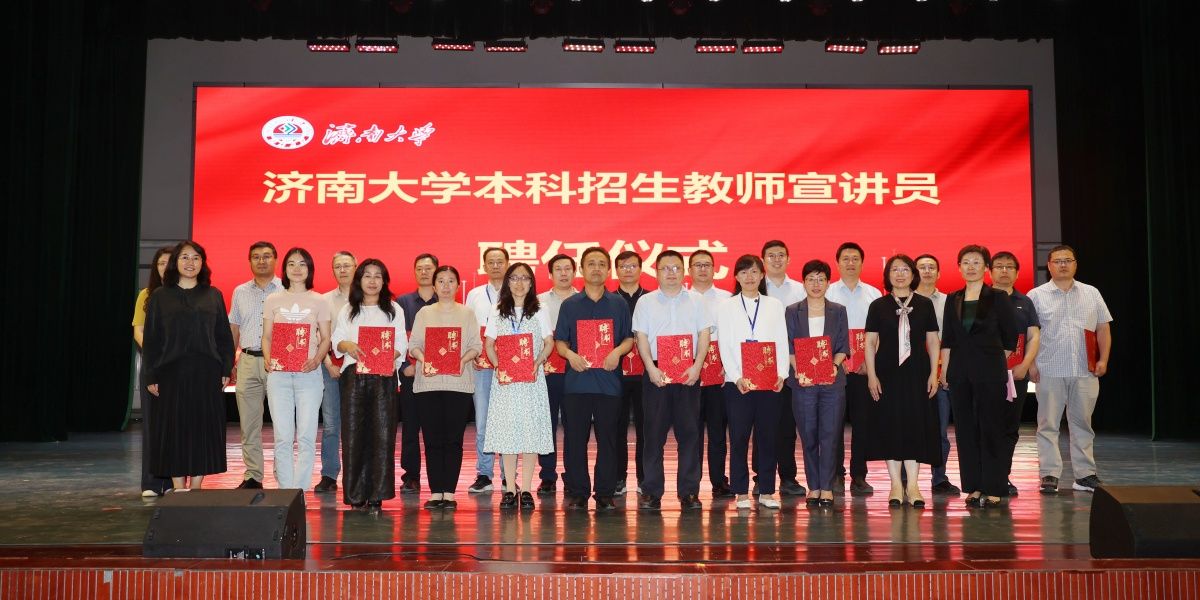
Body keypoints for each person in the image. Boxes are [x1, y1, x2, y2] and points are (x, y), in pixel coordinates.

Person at [142, 241, 235, 491]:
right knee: (173, 431)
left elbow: (224, 337)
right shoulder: (160, 296)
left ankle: (196, 487)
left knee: (203, 431)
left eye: (196, 258)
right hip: (170, 375)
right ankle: (178, 488)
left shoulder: (213, 295)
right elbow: (151, 340)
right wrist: (151, 375)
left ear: (203, 263)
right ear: (176, 262)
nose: (190, 262)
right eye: (185, 257)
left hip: (207, 375)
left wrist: (226, 368)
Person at [1027, 245, 1113, 494]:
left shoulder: (1091, 293)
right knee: (1048, 425)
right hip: (1049, 370)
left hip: (1085, 370)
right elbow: (1028, 334)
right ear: (1049, 266)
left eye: (1068, 260)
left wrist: (1104, 359)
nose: (1063, 265)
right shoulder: (1036, 295)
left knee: (1082, 424)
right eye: (1057, 261)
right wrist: (1031, 364)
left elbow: (1103, 328)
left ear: (1075, 264)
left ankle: (1085, 475)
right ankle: (1049, 474)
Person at [554, 246, 635, 510]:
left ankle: (604, 493)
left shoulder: (618, 304)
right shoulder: (570, 305)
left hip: (609, 383)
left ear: (608, 270)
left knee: (608, 439)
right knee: (575, 440)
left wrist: (617, 352)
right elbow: (560, 341)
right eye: (591, 264)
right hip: (577, 383)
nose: (596, 268)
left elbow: (628, 338)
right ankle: (578, 492)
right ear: (582, 269)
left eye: (601, 264)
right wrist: (570, 355)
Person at [939, 245, 1019, 508]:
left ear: (986, 268)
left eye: (976, 262)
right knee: (966, 430)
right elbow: (948, 339)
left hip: (990, 373)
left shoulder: (998, 297)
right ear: (959, 267)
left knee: (991, 428)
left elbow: (1010, 337)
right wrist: (945, 371)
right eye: (966, 262)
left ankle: (994, 486)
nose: (970, 267)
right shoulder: (953, 298)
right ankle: (973, 486)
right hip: (959, 373)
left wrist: (991, 361)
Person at [632, 250, 711, 511]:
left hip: (689, 372)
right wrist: (650, 369)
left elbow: (704, 335)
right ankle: (651, 491)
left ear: (683, 271)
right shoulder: (645, 302)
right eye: (665, 268)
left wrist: (698, 366)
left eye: (676, 268)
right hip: (657, 373)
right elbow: (641, 338)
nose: (671, 273)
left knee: (690, 435)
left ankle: (689, 492)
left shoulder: (697, 300)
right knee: (653, 435)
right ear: (656, 272)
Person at [864, 254, 941, 508]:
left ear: (913, 274)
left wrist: (934, 373)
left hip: (917, 372)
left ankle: (914, 485)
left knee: (915, 424)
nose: (900, 274)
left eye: (905, 269)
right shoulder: (878, 305)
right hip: (887, 373)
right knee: (891, 425)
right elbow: (870, 342)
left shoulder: (925, 304)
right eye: (895, 270)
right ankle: (896, 484)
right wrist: (872, 375)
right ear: (888, 275)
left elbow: (933, 341)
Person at [331, 259, 407, 511]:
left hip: (384, 377)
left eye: (378, 276)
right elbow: (337, 340)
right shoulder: (348, 309)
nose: (372, 281)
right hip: (354, 376)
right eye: (367, 276)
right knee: (353, 435)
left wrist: (385, 356)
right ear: (359, 280)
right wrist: (348, 346)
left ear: (384, 281)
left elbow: (401, 344)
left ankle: (377, 493)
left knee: (382, 435)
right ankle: (355, 494)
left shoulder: (393, 310)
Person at [715, 255, 789, 510]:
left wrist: (782, 374)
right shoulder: (726, 306)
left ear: (762, 275)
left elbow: (781, 340)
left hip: (769, 381)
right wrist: (736, 376)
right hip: (738, 383)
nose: (749, 277)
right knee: (739, 438)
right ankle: (741, 492)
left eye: (754, 272)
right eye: (744, 272)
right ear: (736, 276)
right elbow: (724, 344)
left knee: (768, 437)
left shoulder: (774, 305)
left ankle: (767, 491)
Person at [409, 265, 482, 510]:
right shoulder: (424, 313)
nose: (446, 286)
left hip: (458, 384)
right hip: (428, 384)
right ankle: (435, 492)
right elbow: (413, 345)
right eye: (441, 281)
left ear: (458, 286)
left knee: (453, 440)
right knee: (432, 439)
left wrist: (461, 360)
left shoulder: (467, 313)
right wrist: (425, 359)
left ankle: (449, 493)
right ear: (434, 285)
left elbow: (476, 346)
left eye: (451, 281)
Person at [483, 263, 555, 510]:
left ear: (531, 282)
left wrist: (538, 362)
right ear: (507, 282)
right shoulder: (497, 310)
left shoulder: (540, 309)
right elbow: (489, 344)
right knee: (508, 434)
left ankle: (525, 489)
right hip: (505, 381)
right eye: (514, 278)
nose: (519, 283)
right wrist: (498, 365)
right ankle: (509, 490)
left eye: (525, 278)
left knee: (530, 432)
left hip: (531, 379)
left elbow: (549, 342)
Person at [261, 247, 332, 490]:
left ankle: (299, 491)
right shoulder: (273, 299)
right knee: (282, 436)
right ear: (285, 269)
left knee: (306, 436)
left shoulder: (319, 300)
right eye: (291, 264)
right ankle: (285, 491)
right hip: (279, 376)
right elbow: (267, 336)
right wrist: (268, 358)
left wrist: (317, 359)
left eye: (302, 264)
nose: (297, 269)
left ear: (310, 269)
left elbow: (326, 338)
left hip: (309, 376)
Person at [784, 259, 849, 508]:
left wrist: (833, 366)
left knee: (830, 435)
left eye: (821, 279)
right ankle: (814, 486)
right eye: (811, 279)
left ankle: (827, 487)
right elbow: (789, 345)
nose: (816, 284)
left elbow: (842, 345)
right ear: (803, 283)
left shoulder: (838, 310)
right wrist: (799, 370)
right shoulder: (793, 311)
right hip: (803, 383)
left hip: (832, 383)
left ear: (828, 283)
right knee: (808, 434)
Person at [826, 242, 883, 496]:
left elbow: (881, 333)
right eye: (846, 259)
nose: (850, 263)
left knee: (863, 424)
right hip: (833, 369)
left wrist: (869, 363)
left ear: (862, 263)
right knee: (833, 424)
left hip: (863, 370)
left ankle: (859, 476)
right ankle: (836, 474)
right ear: (838, 263)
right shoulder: (827, 292)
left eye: (855, 259)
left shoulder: (873, 294)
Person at [227, 241, 282, 489]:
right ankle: (253, 475)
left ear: (275, 260)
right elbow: (234, 328)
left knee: (282, 423)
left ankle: (283, 475)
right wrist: (230, 361)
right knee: (249, 424)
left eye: (267, 256)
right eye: (256, 257)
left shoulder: (286, 289)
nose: (262, 261)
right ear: (249, 261)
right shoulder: (240, 291)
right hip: (248, 360)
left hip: (279, 363)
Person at [989, 251, 1041, 496]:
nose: (1004, 271)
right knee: (985, 427)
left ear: (1017, 273)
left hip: (1016, 375)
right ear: (990, 271)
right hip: (985, 376)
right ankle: (983, 478)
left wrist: (1025, 365)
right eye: (999, 266)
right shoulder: (981, 299)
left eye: (1009, 267)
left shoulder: (1025, 302)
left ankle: (1002, 477)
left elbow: (1033, 337)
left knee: (1010, 428)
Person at [760, 240, 807, 497]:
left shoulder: (800, 290)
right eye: (771, 255)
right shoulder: (756, 287)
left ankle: (788, 477)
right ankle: (761, 477)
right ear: (763, 260)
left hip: (792, 365)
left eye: (781, 255)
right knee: (762, 425)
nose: (776, 259)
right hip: (761, 364)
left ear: (788, 259)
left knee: (787, 426)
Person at [913, 254, 962, 496]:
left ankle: (939, 477)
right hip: (911, 374)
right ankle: (905, 480)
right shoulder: (904, 301)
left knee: (940, 430)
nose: (927, 271)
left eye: (931, 267)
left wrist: (946, 371)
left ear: (939, 273)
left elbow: (952, 338)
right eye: (922, 267)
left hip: (942, 373)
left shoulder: (949, 302)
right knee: (910, 427)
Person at [687, 249, 733, 499]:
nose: (702, 269)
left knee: (717, 431)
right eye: (697, 265)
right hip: (689, 371)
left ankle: (719, 480)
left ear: (714, 269)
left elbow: (734, 334)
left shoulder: (727, 299)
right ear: (690, 270)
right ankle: (691, 483)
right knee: (691, 432)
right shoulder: (682, 298)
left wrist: (730, 364)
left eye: (707, 264)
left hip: (720, 371)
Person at [464, 247, 508, 493]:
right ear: (484, 266)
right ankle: (484, 473)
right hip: (481, 364)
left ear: (507, 264)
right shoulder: (475, 294)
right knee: (482, 421)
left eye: (500, 261)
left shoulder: (516, 291)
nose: (495, 266)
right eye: (491, 262)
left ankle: (508, 475)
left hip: (511, 364)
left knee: (508, 420)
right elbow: (467, 326)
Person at [534, 253, 578, 496]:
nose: (563, 273)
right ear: (550, 274)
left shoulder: (583, 300)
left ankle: (573, 474)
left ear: (574, 272)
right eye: (558, 269)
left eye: (567, 268)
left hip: (575, 371)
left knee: (575, 425)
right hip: (546, 371)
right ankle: (547, 475)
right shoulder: (538, 302)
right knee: (546, 424)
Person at [132, 246, 175, 497]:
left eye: (170, 262)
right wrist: (154, 352)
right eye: (161, 263)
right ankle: (150, 482)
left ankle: (171, 481)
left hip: (178, 367)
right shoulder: (146, 295)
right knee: (152, 425)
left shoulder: (184, 294)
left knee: (174, 425)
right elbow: (138, 329)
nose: (165, 267)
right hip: (153, 365)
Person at [395, 253, 439, 494]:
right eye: (419, 268)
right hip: (411, 373)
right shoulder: (403, 302)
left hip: (438, 376)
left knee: (435, 428)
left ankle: (437, 476)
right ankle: (410, 475)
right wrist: (403, 366)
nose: (424, 272)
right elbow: (398, 336)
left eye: (428, 268)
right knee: (410, 428)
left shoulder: (444, 300)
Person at [315, 251, 355, 494]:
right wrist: (328, 363)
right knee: (331, 425)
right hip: (329, 368)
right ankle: (329, 474)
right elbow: (319, 336)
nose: (343, 270)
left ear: (355, 267)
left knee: (356, 424)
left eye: (347, 265)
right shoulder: (324, 300)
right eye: (338, 266)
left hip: (358, 369)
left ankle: (355, 474)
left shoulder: (366, 298)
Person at [613, 249, 648, 496]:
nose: (628, 270)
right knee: (616, 426)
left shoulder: (651, 299)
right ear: (616, 270)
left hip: (647, 372)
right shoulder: (609, 299)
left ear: (640, 269)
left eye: (632, 266)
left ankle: (645, 478)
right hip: (616, 371)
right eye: (623, 266)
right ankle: (618, 478)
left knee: (647, 427)